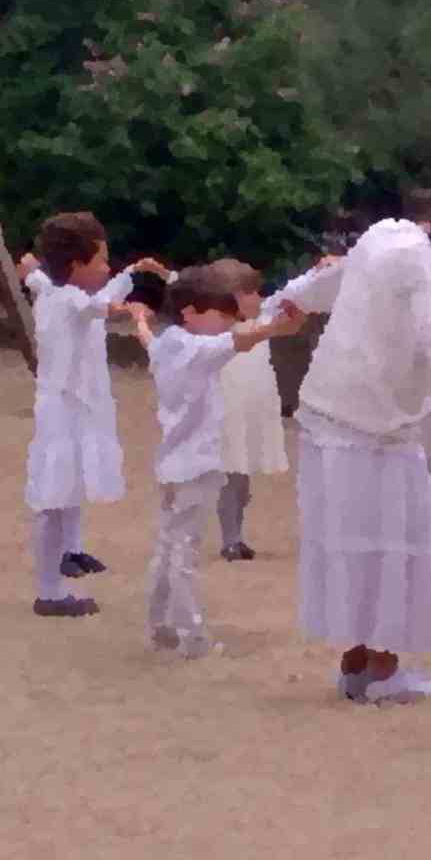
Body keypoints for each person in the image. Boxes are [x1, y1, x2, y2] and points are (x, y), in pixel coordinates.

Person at [277, 182, 431, 703]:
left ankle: (357, 663)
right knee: (393, 542)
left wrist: (289, 297)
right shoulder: (422, 262)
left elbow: (332, 278)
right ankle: (383, 669)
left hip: (335, 411)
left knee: (355, 538)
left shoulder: (384, 235)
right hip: (374, 420)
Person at [135, 265, 304, 656]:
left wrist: (141, 320)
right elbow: (241, 340)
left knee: (168, 547)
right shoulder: (197, 350)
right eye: (220, 314)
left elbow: (149, 339)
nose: (227, 321)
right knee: (184, 553)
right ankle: (191, 636)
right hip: (195, 465)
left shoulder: (169, 343)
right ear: (191, 313)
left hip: (174, 463)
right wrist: (275, 327)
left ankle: (160, 625)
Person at [17, 215, 164, 617]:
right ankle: (49, 591)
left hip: (75, 406)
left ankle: (71, 550)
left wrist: (131, 273)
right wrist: (130, 298)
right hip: (63, 410)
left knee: (71, 482)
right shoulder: (68, 302)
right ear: (77, 266)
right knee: (54, 495)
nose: (106, 268)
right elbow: (101, 305)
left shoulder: (52, 289)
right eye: (101, 261)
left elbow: (38, 278)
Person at [210, 259, 290, 562]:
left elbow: (291, 309)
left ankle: (237, 536)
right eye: (251, 293)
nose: (259, 298)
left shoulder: (263, 317)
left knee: (242, 481)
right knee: (229, 475)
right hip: (229, 411)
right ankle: (229, 538)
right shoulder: (218, 331)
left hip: (253, 409)